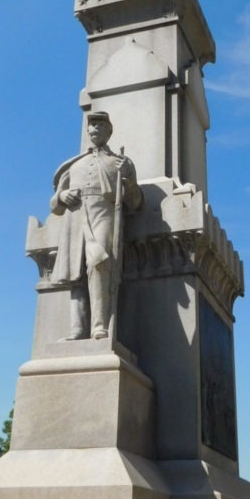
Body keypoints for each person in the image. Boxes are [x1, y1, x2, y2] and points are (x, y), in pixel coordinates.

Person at [50, 112, 142, 340]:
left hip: (104, 214)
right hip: (76, 217)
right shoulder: (74, 165)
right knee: (76, 272)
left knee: (98, 262)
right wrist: (62, 195)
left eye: (100, 125)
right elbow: (55, 204)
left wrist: (129, 178)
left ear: (109, 131)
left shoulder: (120, 163)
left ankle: (99, 325)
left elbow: (136, 201)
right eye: (91, 126)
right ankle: (77, 329)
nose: (94, 129)